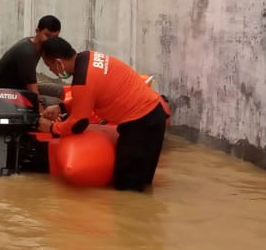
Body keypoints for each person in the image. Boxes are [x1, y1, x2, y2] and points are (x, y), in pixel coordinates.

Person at [38, 37, 168, 192]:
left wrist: (52, 128)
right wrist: (61, 108)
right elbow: (91, 95)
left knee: (127, 189)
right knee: (143, 183)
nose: (51, 71)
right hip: (155, 113)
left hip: (139, 123)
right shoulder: (88, 57)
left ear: (58, 62)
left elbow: (79, 124)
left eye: (50, 66)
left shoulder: (82, 80)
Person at [0, 15, 65, 118]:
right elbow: (32, 90)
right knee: (57, 103)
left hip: (22, 87)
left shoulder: (41, 45)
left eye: (55, 38)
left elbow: (53, 63)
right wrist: (42, 115)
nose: (50, 41)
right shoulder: (27, 52)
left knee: (60, 90)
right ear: (37, 31)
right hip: (6, 94)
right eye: (47, 35)